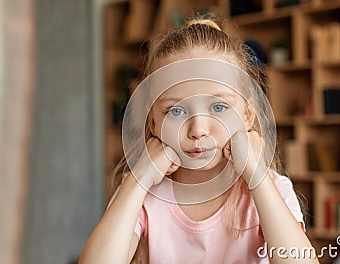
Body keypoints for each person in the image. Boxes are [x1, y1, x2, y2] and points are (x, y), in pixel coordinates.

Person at [79, 19, 318, 264]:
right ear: (153, 124)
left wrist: (257, 174)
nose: (198, 130)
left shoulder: (271, 189)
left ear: (247, 115)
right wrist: (139, 177)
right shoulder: (143, 193)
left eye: (218, 106)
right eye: (175, 110)